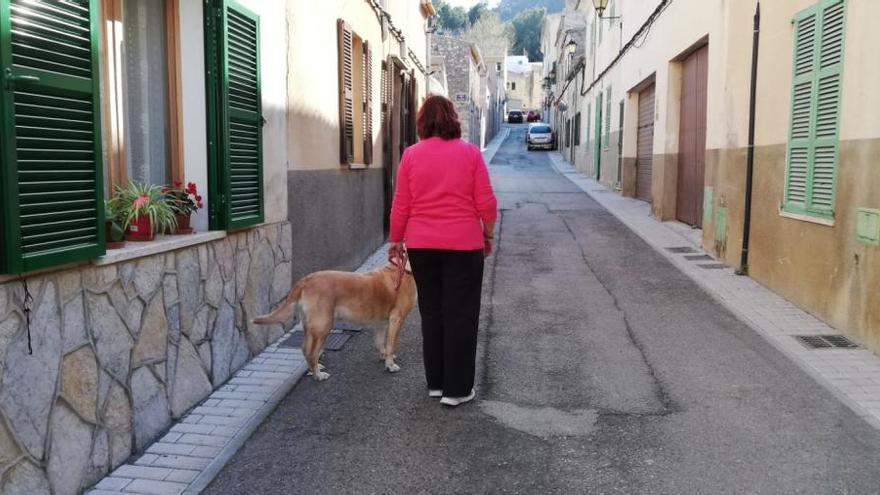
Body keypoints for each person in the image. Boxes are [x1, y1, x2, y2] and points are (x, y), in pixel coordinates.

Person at [388, 95, 498, 407]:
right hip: (464, 245)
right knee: (460, 315)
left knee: (432, 313)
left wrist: (396, 241)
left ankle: (435, 383)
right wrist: (487, 234)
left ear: (422, 122)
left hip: (422, 246)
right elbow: (486, 203)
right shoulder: (470, 154)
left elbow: (401, 206)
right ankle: (457, 389)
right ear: (453, 119)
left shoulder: (411, 155)